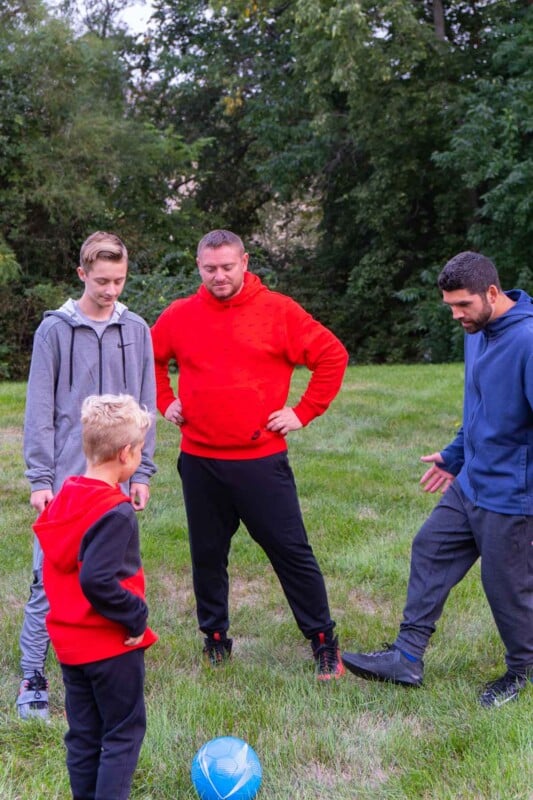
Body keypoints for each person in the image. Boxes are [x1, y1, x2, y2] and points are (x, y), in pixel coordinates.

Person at [151, 229, 348, 679]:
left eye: (227, 267)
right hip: (200, 460)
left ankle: (323, 643)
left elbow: (332, 355)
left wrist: (304, 412)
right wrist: (165, 400)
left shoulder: (278, 311)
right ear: (198, 266)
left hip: (260, 461)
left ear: (244, 262)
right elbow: (150, 357)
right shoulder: (180, 315)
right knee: (207, 554)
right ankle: (215, 640)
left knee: (291, 553)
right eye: (209, 268)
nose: (218, 276)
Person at [342, 251, 533, 707]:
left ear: (492, 292)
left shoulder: (527, 341)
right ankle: (406, 656)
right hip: (471, 482)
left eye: (463, 305)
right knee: (431, 546)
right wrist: (455, 455)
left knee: (505, 587)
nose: (455, 315)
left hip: (511, 495)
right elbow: (480, 407)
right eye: (449, 305)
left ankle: (522, 669)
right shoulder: (478, 331)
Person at [18, 231, 157, 721]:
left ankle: (109, 658)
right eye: (102, 280)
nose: (111, 290)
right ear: (82, 274)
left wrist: (143, 469)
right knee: (48, 575)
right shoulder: (55, 330)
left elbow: (147, 402)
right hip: (66, 477)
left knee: (110, 573)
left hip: (117, 475)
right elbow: (39, 409)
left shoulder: (136, 328)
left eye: (119, 280)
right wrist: (41, 479)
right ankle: (33, 674)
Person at [33, 393, 158, 800]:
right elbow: (98, 582)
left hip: (71, 647)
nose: (140, 457)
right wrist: (136, 616)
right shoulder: (114, 511)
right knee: (122, 734)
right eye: (140, 451)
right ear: (126, 454)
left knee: (84, 735)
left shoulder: (66, 496)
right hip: (110, 646)